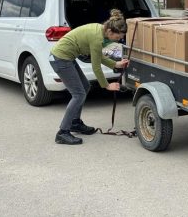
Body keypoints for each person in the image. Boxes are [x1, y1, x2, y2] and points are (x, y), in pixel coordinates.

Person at [50, 9, 129, 145]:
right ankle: (62, 132)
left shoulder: (101, 31)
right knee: (78, 94)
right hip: (60, 59)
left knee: (85, 87)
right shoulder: (97, 37)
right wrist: (106, 85)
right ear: (110, 32)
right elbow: (96, 66)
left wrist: (116, 64)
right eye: (117, 38)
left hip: (66, 58)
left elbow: (98, 56)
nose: (118, 40)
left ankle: (75, 123)